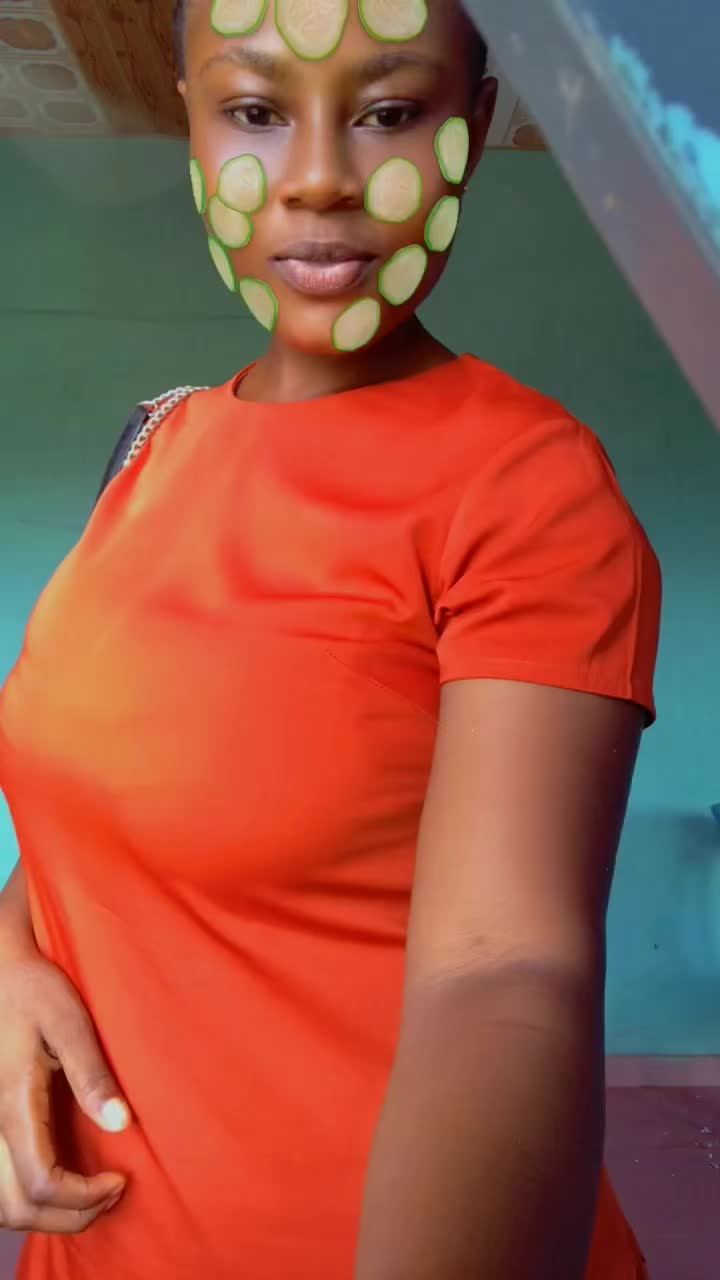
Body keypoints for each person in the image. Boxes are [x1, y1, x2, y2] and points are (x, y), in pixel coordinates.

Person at [0, 1, 661, 1277]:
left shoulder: (529, 487)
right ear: (193, 130)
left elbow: (505, 976)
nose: (315, 177)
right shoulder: (152, 443)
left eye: (390, 112)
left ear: (473, 127)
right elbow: (102, 808)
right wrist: (5, 948)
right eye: (255, 110)